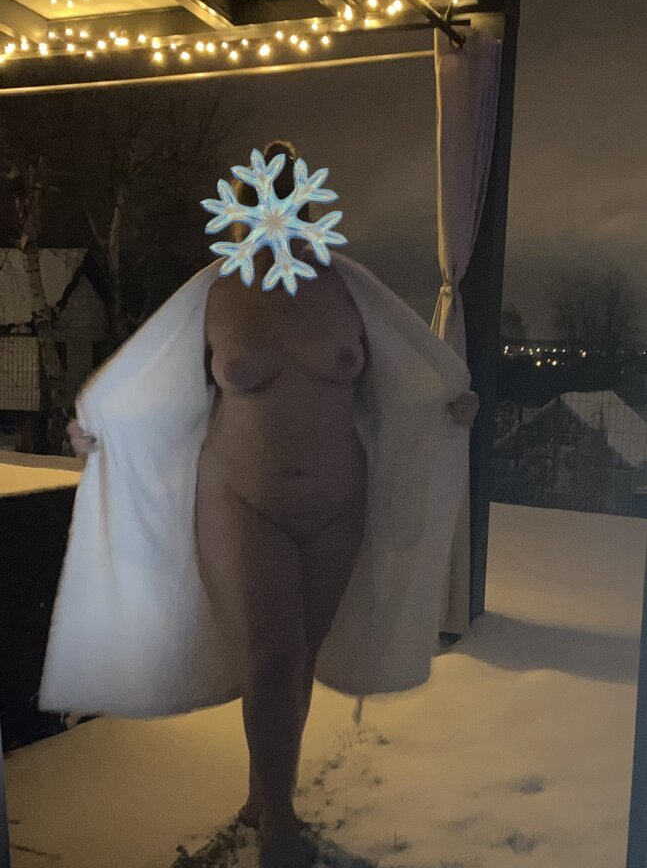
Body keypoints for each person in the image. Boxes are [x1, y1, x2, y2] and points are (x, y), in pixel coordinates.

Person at [65, 139, 478, 868]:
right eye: (262, 201)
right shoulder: (213, 293)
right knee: (270, 654)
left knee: (299, 655)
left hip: (337, 503)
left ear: (309, 206)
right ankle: (280, 822)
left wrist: (445, 408)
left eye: (289, 201)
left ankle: (264, 795)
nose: (275, 214)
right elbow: (155, 384)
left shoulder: (350, 290)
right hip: (239, 500)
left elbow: (400, 382)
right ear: (240, 207)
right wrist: (101, 426)